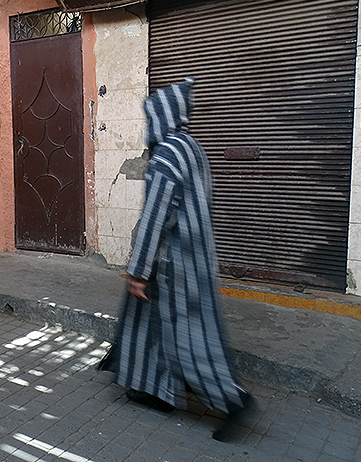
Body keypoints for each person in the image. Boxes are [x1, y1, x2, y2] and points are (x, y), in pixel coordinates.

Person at [103, 78, 252, 442]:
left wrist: (139, 271)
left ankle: (234, 401)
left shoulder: (166, 154)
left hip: (174, 264)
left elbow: (156, 217)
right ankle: (158, 392)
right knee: (151, 325)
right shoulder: (193, 148)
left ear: (160, 119)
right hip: (198, 257)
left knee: (191, 337)